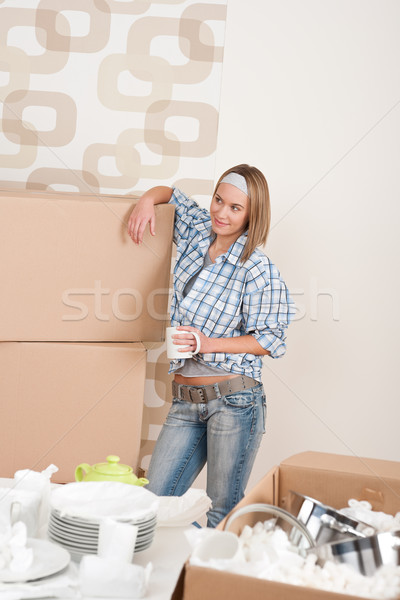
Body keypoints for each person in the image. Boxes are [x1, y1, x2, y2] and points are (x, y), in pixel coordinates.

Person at [128, 164, 295, 527]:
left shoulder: (257, 268)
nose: (221, 212)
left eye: (235, 208)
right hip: (185, 402)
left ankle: (206, 577)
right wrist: (145, 201)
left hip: (235, 401)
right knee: (154, 506)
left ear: (252, 215)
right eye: (219, 200)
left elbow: (269, 339)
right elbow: (171, 194)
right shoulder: (195, 233)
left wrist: (206, 343)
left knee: (222, 513)